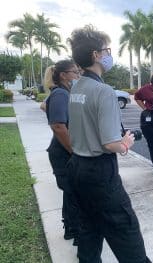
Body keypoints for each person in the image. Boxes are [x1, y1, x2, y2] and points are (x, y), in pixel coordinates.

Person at [67, 25, 151, 263]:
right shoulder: (103, 91)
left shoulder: (76, 87)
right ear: (95, 55)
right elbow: (110, 143)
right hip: (100, 173)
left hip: (77, 167)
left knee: (89, 231)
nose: (109, 54)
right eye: (106, 50)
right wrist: (125, 143)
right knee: (126, 232)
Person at [45, 60, 81, 245]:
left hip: (65, 151)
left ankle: (71, 229)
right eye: (74, 72)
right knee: (74, 193)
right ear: (63, 75)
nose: (77, 75)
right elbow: (58, 126)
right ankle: (76, 231)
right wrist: (74, 152)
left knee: (71, 193)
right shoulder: (60, 93)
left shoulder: (65, 93)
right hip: (63, 153)